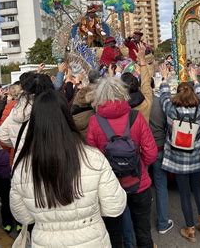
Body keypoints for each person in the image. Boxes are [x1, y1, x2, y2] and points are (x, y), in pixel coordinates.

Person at [10, 90, 127, 247]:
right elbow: (115, 206)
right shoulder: (93, 158)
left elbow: (23, 216)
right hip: (91, 239)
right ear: (67, 116)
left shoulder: (22, 167)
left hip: (45, 240)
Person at [87, 76, 157, 248]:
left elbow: (92, 158)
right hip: (139, 182)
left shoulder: (95, 121)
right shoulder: (136, 117)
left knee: (114, 234)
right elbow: (151, 153)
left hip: (109, 186)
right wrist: (140, 164)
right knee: (143, 232)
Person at [158, 64, 200, 243]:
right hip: (196, 156)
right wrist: (195, 78)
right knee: (197, 188)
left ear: (177, 94)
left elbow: (163, 96)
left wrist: (164, 78)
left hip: (178, 158)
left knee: (185, 193)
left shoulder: (171, 110)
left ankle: (190, 229)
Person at [149, 80, 173, 235]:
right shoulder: (160, 103)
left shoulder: (134, 104)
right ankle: (163, 222)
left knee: (139, 188)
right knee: (160, 186)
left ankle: (140, 225)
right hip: (159, 148)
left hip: (141, 151)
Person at [121, 44, 153, 123]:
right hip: (144, 135)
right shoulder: (146, 102)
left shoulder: (118, 107)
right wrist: (142, 60)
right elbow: (146, 83)